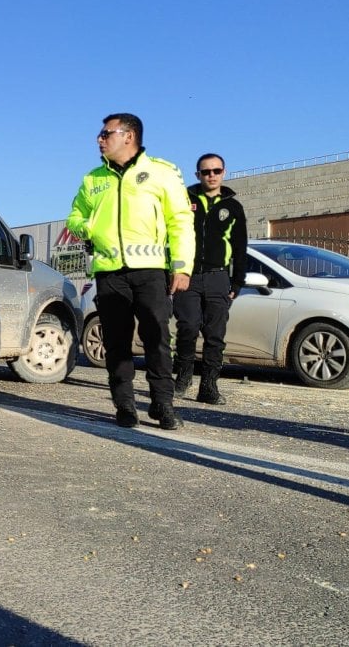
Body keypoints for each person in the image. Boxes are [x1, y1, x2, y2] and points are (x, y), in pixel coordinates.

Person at [66, 113, 195, 430]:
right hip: (110, 273)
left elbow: (181, 221)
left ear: (128, 135)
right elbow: (74, 217)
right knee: (117, 342)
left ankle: (162, 405)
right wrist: (88, 226)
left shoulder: (162, 173)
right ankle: (124, 405)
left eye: (105, 133)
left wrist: (182, 266)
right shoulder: (92, 179)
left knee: (157, 339)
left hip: (151, 271)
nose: (100, 139)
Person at [173, 153, 247, 405]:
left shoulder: (233, 207)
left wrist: (237, 282)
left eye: (216, 171)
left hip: (218, 278)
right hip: (188, 277)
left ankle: (209, 386)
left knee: (215, 334)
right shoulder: (184, 201)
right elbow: (170, 236)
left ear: (224, 172)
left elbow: (240, 248)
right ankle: (182, 378)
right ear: (198, 175)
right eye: (206, 172)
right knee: (188, 327)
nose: (211, 175)